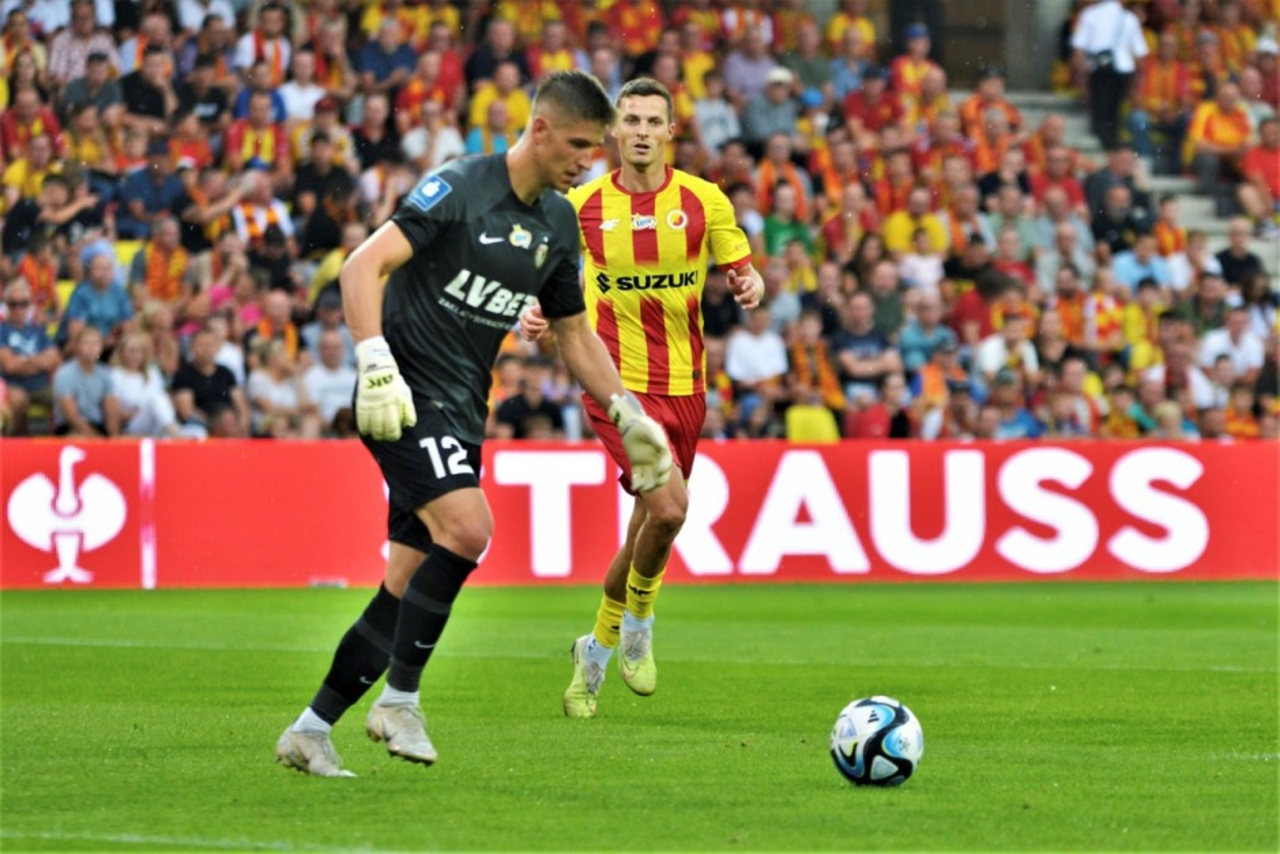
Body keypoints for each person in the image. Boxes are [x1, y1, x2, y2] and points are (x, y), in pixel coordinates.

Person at [275, 71, 675, 777]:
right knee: (468, 529)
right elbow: (362, 268)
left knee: (404, 584)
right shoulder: (462, 187)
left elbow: (574, 333)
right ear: (540, 130)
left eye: (597, 148)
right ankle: (400, 701)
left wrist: (625, 409)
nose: (589, 162)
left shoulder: (558, 224)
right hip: (401, 394)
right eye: (579, 145)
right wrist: (372, 358)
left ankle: (311, 730)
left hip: (461, 411)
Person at [518, 78, 763, 719]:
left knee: (652, 525)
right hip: (615, 384)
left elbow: (743, 268)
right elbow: (541, 275)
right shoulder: (581, 206)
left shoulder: (704, 200)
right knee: (672, 509)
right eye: (632, 120)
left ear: (671, 131)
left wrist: (749, 283)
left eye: (654, 121)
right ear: (614, 131)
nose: (643, 132)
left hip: (686, 386)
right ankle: (641, 623)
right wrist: (535, 310)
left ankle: (594, 652)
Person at [1070, 0, 1147, 151]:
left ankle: (1102, 139)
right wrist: (1137, 83)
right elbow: (1141, 52)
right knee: (1115, 111)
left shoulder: (1090, 15)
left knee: (1100, 109)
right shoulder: (1129, 18)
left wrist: (1081, 76)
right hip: (1122, 70)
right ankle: (1112, 141)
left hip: (1097, 68)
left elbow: (1078, 49)